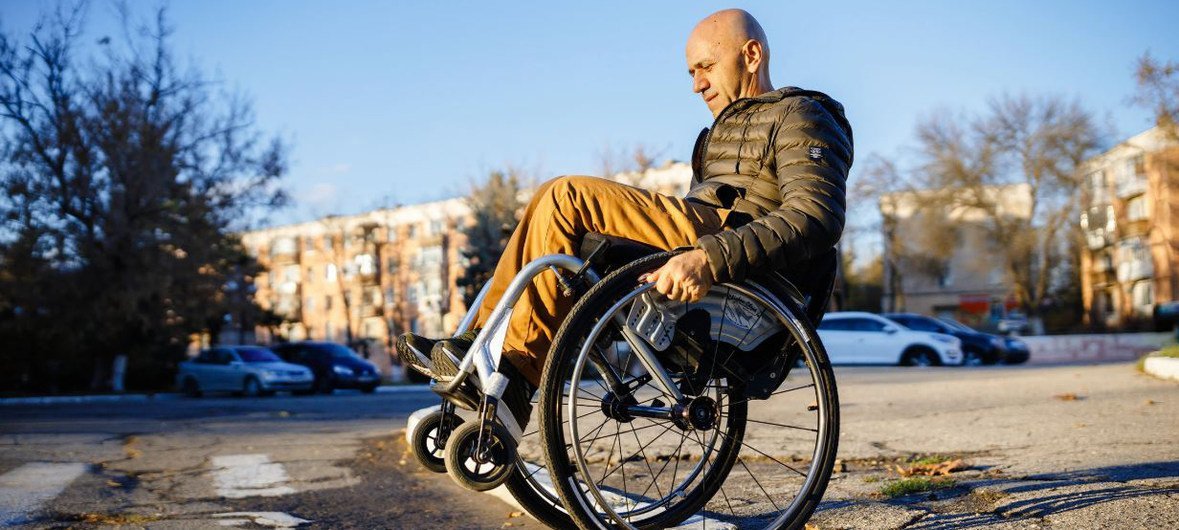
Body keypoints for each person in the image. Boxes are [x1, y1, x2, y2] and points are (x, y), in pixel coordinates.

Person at [397, 8, 853, 428]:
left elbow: (814, 216)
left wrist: (709, 259)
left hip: (737, 247)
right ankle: (481, 350)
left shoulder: (802, 115)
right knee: (548, 210)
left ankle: (514, 374)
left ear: (751, 55)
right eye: (692, 73)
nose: (697, 84)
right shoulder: (715, 135)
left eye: (706, 67)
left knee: (566, 195)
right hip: (704, 234)